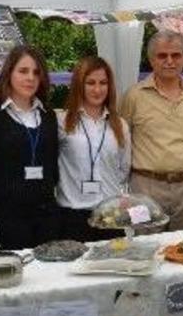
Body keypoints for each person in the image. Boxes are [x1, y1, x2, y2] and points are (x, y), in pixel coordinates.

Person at [120, 30, 183, 231]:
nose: (169, 61)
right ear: (151, 60)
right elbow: (121, 142)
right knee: (145, 249)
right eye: (162, 55)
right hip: (145, 187)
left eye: (176, 55)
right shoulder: (134, 96)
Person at [0, 46, 60, 250]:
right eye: (23, 71)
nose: (30, 78)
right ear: (9, 72)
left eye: (36, 72)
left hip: (46, 219)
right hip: (5, 218)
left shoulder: (48, 115)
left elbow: (53, 164)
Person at [56, 56, 131, 242]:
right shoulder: (62, 122)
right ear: (79, 85)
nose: (97, 89)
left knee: (113, 269)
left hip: (111, 217)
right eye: (90, 83)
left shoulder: (120, 125)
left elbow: (123, 169)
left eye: (103, 83)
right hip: (74, 217)